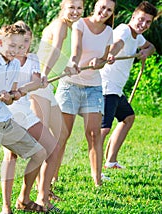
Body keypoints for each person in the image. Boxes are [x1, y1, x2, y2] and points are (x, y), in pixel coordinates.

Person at [0, 24, 47, 212]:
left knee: (39, 154)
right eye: (11, 46)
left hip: (4, 120)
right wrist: (0, 96)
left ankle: (24, 199)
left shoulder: (14, 64)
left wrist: (14, 95)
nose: (15, 50)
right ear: (0, 43)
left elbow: (10, 99)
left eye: (20, 46)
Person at [0, 20, 61, 214]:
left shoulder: (33, 59)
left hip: (25, 113)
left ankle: (32, 197)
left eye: (27, 41)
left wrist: (37, 82)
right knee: (11, 156)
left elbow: (35, 82)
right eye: (19, 41)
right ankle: (6, 207)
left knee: (52, 149)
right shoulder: (3, 60)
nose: (23, 46)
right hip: (7, 113)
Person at [54, 0, 116, 186]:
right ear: (95, 6)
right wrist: (74, 61)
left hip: (93, 87)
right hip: (70, 84)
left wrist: (103, 61)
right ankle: (53, 176)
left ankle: (97, 180)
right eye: (102, 7)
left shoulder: (109, 32)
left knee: (94, 133)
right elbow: (77, 49)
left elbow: (104, 58)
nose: (104, 11)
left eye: (109, 10)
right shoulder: (80, 24)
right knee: (63, 134)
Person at [31, 0, 84, 187]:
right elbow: (55, 50)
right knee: (43, 139)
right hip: (38, 84)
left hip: (48, 86)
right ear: (63, 8)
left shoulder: (72, 28)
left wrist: (67, 67)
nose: (75, 12)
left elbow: (62, 56)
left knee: (61, 134)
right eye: (71, 7)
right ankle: (38, 189)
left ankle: (45, 186)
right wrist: (45, 73)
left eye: (79, 8)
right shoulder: (61, 24)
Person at [100, 1, 157, 169]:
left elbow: (150, 46)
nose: (143, 24)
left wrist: (147, 51)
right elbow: (118, 43)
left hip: (116, 89)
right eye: (141, 19)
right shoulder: (125, 30)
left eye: (148, 22)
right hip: (106, 87)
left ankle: (111, 161)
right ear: (133, 16)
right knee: (103, 130)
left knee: (128, 118)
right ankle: (95, 169)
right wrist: (111, 53)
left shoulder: (137, 36)